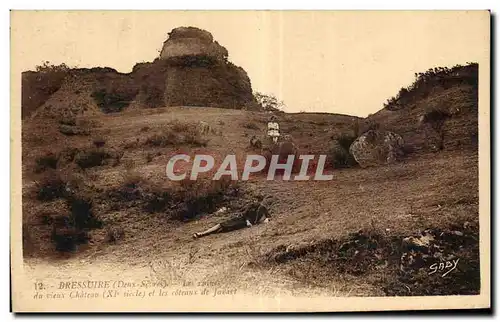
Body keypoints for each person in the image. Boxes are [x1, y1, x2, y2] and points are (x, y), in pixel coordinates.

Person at [192, 197, 271, 239]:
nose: (254, 202)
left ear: (260, 201)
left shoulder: (262, 208)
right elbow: (245, 214)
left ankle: (204, 234)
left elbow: (268, 216)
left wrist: (266, 219)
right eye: (254, 200)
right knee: (221, 225)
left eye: (256, 201)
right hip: (242, 220)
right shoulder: (250, 206)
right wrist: (248, 221)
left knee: (223, 229)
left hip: (244, 224)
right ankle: (202, 233)